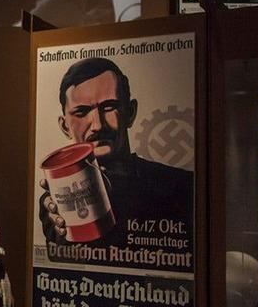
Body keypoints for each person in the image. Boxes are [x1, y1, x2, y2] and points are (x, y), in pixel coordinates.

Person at [39, 57, 193, 249]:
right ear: (65, 126)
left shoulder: (182, 186)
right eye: (81, 112)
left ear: (130, 112)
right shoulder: (53, 202)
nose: (97, 125)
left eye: (109, 107)